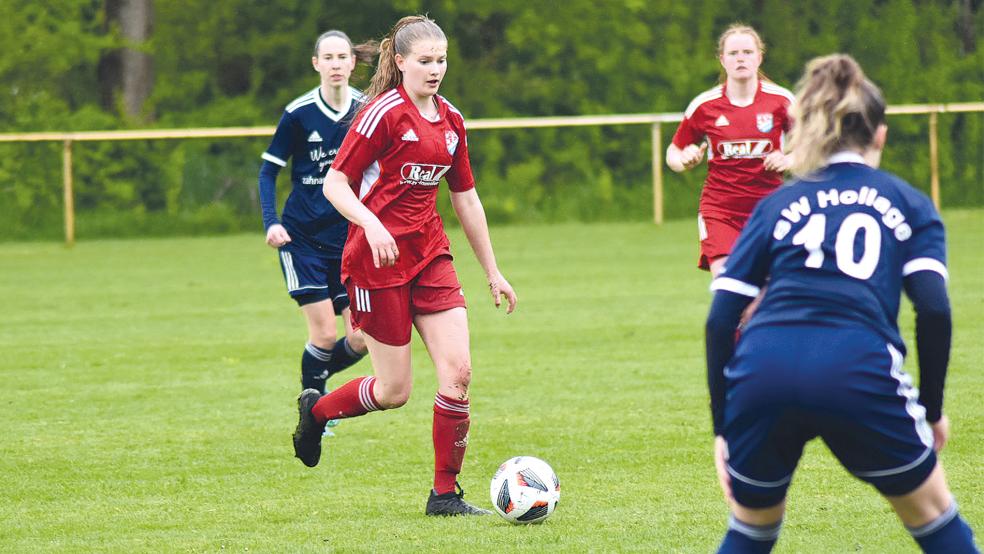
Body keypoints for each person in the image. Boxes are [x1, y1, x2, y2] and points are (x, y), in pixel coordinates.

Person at [705, 54, 978, 553]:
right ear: (880, 136)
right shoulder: (908, 201)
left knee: (751, 528)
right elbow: (934, 309)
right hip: (857, 367)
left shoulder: (778, 203)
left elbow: (723, 316)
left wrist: (724, 428)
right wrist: (932, 410)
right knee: (936, 517)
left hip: (762, 371)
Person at [290, 15, 517, 517]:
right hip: (375, 266)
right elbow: (335, 185)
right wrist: (371, 225)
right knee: (394, 391)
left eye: (442, 61)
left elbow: (467, 201)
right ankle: (317, 409)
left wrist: (492, 271)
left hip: (430, 257)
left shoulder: (451, 121)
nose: (435, 70)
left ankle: (445, 495)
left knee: (458, 373)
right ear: (400, 62)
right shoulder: (382, 115)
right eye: (425, 61)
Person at [259, 31, 378, 397]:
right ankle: (314, 407)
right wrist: (271, 221)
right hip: (303, 240)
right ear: (316, 64)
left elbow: (378, 171)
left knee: (361, 338)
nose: (336, 64)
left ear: (352, 62)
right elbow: (268, 171)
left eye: (342, 57)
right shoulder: (299, 113)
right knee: (325, 334)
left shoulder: (365, 111)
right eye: (328, 58)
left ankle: (314, 385)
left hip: (347, 241)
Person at [667, 24, 795, 278]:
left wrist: (789, 159)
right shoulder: (705, 105)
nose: (740, 58)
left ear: (759, 57)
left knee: (766, 291)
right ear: (722, 59)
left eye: (747, 52)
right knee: (729, 285)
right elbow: (674, 151)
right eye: (734, 53)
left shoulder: (782, 101)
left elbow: (812, 148)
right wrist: (684, 159)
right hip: (721, 210)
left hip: (768, 210)